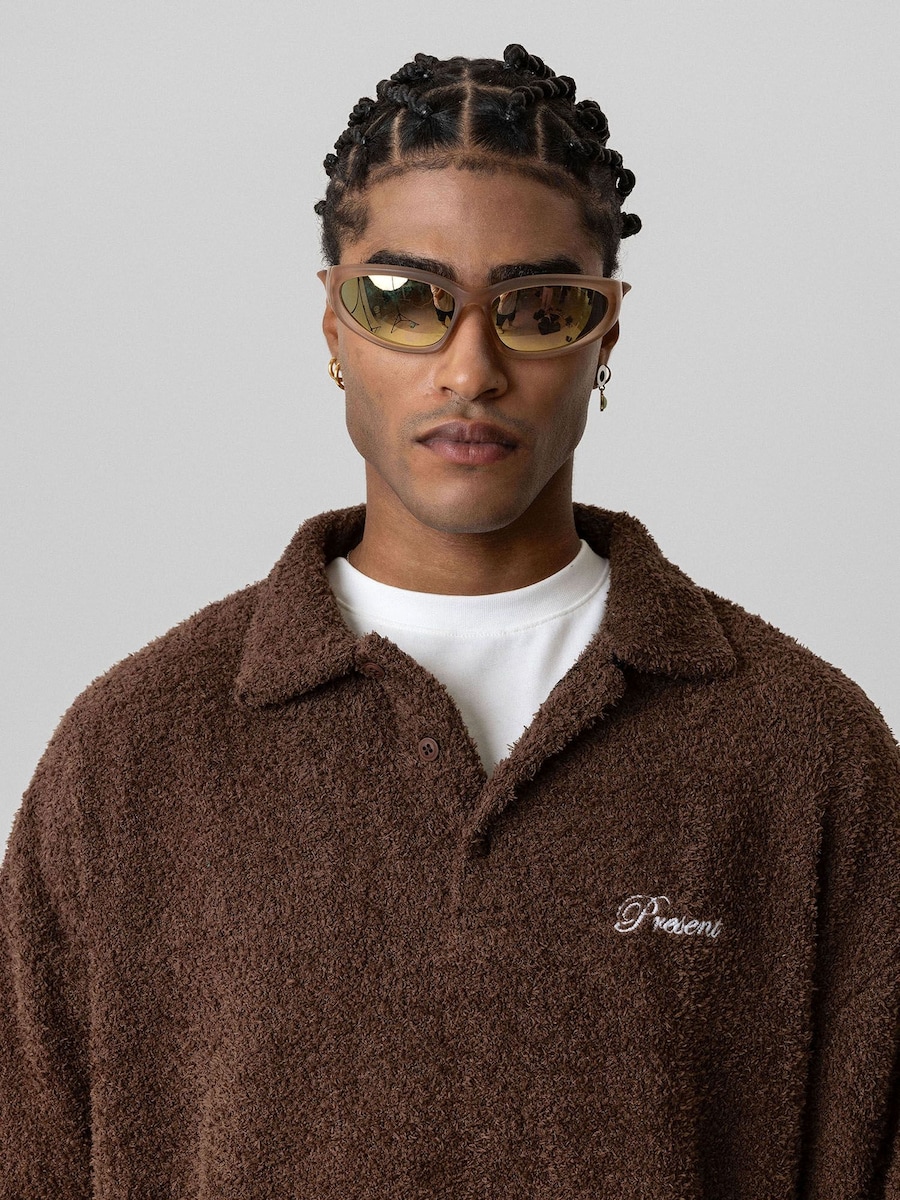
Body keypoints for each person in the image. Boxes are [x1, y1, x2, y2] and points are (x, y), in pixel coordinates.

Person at [1, 42, 897, 1199]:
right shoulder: (132, 753)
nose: (470, 369)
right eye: (403, 299)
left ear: (606, 334)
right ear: (334, 324)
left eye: (540, 307)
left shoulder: (804, 748)